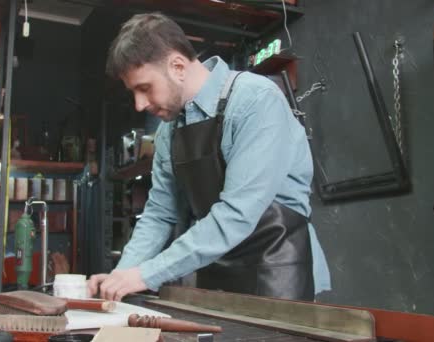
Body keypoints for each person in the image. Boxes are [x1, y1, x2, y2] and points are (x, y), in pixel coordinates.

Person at [88, 12, 329, 301]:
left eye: (144, 88)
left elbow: (237, 214)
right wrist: (121, 276)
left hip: (278, 267)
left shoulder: (255, 101)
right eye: (134, 93)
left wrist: (146, 274)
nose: (139, 104)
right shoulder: (168, 132)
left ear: (177, 66)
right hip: (215, 268)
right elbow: (159, 214)